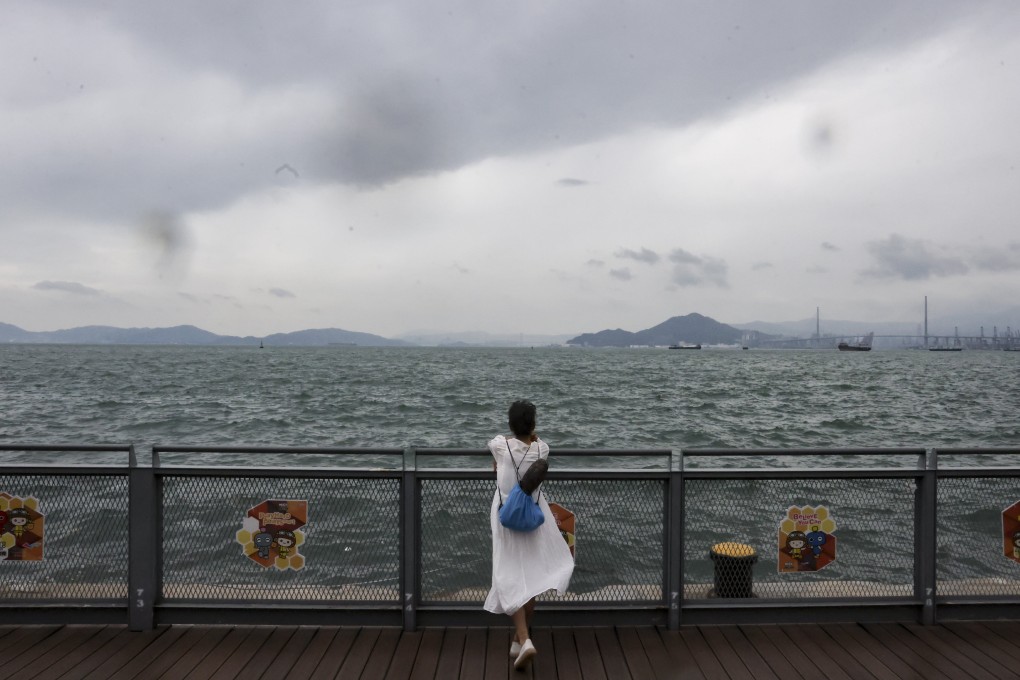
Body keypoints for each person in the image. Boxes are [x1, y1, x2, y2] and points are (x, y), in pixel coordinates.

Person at [484, 400, 574, 670]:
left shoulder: (501, 447)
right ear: (533, 426)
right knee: (531, 576)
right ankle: (518, 641)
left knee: (507, 576)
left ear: (511, 425)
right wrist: (532, 437)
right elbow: (537, 445)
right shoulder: (541, 449)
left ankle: (524, 640)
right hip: (534, 521)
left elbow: (495, 442)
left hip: (506, 521)